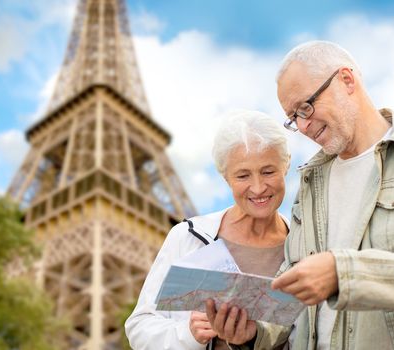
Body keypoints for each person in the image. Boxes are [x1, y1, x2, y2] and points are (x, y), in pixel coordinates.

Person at [215, 41, 394, 349]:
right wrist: (254, 332)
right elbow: (292, 287)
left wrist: (342, 273)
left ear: (347, 80)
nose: (304, 126)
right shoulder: (310, 183)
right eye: (293, 118)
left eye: (306, 107)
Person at [125, 110, 291, 350]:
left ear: (285, 166)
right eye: (243, 175)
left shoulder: (303, 245)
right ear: (226, 178)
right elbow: (139, 327)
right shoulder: (187, 237)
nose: (258, 188)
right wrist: (190, 334)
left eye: (268, 171)